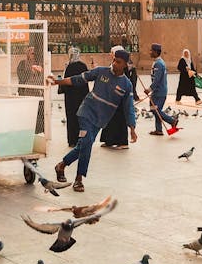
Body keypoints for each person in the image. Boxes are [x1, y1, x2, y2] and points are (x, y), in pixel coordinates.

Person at [49, 48, 137, 193]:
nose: (114, 63)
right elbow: (79, 79)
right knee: (88, 143)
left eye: (118, 62)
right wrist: (58, 82)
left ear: (125, 65)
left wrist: (132, 129)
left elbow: (129, 108)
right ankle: (79, 179)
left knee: (82, 146)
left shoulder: (126, 85)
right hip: (86, 113)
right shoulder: (101, 72)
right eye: (114, 60)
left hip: (100, 121)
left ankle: (61, 165)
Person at [101, 49, 138, 148]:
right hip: (111, 101)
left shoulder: (125, 77)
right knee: (111, 120)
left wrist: (132, 128)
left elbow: (129, 106)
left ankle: (123, 142)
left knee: (120, 119)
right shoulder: (112, 67)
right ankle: (110, 140)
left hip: (120, 100)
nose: (114, 63)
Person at [57, 46, 89, 148]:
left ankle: (72, 140)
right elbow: (86, 80)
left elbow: (65, 81)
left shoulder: (69, 66)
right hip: (82, 96)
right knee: (82, 118)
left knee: (71, 118)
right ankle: (83, 140)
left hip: (70, 98)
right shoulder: (83, 66)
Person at [147, 43, 179, 136]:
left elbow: (157, 80)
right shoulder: (158, 62)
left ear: (156, 52)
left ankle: (172, 121)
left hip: (159, 92)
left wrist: (149, 89)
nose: (150, 52)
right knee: (157, 109)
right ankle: (159, 130)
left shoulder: (159, 64)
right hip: (158, 91)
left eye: (151, 50)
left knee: (155, 110)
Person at [16, 46, 45, 134]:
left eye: (34, 53)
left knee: (38, 111)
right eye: (31, 53)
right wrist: (30, 72)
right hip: (26, 90)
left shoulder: (39, 64)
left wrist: (39, 70)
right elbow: (21, 76)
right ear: (28, 54)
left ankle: (39, 130)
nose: (33, 55)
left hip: (37, 90)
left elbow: (43, 76)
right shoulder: (23, 63)